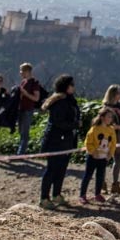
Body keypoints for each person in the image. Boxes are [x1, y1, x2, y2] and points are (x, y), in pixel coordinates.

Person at [38, 74, 82, 206]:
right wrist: (75, 125)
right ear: (65, 86)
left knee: (62, 169)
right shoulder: (60, 102)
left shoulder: (70, 100)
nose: (74, 87)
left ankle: (56, 194)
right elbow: (58, 122)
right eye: (71, 84)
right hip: (55, 140)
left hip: (66, 140)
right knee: (52, 169)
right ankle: (44, 198)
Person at [80, 108, 118, 204]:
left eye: (111, 117)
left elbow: (113, 143)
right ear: (102, 117)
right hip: (92, 157)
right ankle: (82, 195)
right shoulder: (94, 129)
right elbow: (88, 142)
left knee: (100, 176)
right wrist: (93, 152)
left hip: (103, 158)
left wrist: (110, 154)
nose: (110, 119)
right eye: (108, 116)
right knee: (88, 175)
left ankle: (97, 194)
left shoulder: (111, 130)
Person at [16, 63, 42, 155]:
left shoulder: (34, 82)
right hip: (21, 109)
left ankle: (20, 154)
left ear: (27, 71)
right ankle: (20, 151)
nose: (20, 73)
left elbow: (36, 98)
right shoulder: (23, 82)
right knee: (21, 131)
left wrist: (25, 93)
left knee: (25, 132)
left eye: (21, 71)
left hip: (28, 110)